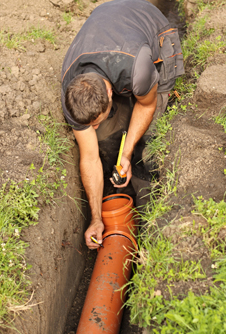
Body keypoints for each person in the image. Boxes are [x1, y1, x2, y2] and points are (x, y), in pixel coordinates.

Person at [61, 0, 184, 249]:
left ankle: (149, 206)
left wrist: (127, 154)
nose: (92, 129)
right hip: (106, 28)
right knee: (107, 136)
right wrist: (96, 218)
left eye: (96, 121)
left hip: (149, 30)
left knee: (152, 133)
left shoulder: (137, 69)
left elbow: (147, 105)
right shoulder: (72, 93)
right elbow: (89, 158)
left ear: (109, 92)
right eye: (90, 124)